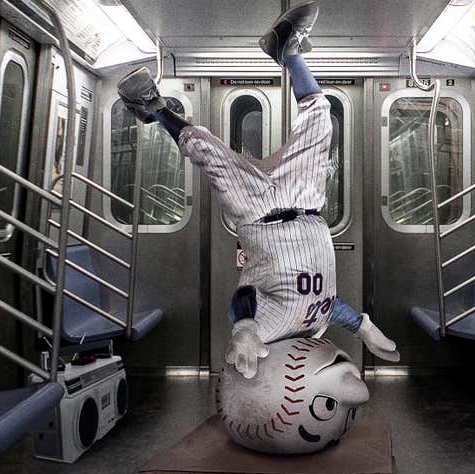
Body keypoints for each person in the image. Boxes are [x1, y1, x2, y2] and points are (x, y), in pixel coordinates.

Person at [117, 0, 399, 379]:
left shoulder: (271, 330)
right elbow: (331, 306)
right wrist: (363, 327)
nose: (304, 355)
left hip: (257, 212)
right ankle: (287, 50)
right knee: (321, 118)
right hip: (306, 203)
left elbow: (243, 298)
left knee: (205, 147)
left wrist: (246, 330)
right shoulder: (316, 320)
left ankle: (153, 109)